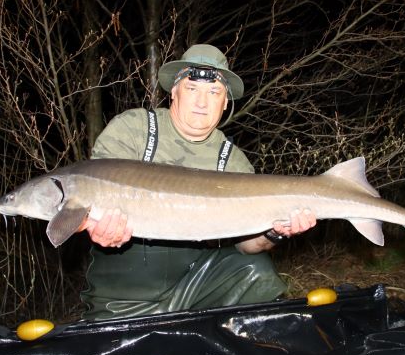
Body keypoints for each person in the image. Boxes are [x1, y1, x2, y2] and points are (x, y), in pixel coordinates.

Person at [80, 44, 316, 320]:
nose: (202, 103)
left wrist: (276, 232)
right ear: (174, 92)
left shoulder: (232, 162)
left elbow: (248, 245)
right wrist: (97, 226)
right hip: (122, 295)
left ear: (225, 102)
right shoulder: (133, 130)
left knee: (257, 270)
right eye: (192, 88)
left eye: (214, 92)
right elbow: (91, 194)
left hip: (196, 284)